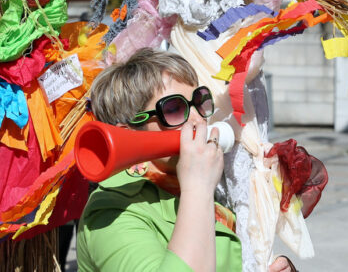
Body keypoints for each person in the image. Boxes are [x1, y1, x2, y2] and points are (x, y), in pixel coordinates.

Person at [77, 48, 294, 272]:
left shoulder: (194, 185)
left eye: (199, 102)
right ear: (128, 133)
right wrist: (198, 187)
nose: (198, 120)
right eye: (174, 109)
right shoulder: (110, 210)